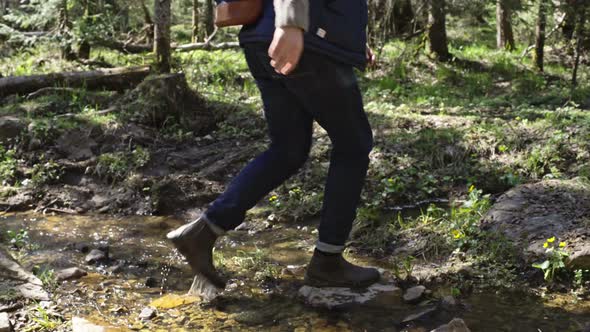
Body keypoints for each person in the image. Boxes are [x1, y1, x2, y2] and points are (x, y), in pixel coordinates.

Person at [167, 0, 379, 294]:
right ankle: (327, 262)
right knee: (353, 144)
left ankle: (203, 233)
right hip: (302, 35)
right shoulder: (293, 24)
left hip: (267, 36)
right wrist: (290, 21)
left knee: (288, 147)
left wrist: (352, 42)